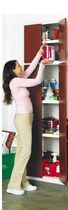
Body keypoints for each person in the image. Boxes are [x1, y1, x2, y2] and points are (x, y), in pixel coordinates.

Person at [2, 45, 51, 195]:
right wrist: (43, 65)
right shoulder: (15, 82)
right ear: (12, 70)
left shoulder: (19, 78)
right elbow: (37, 80)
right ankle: (13, 186)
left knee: (22, 151)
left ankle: (23, 182)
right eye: (17, 65)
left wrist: (39, 54)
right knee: (25, 151)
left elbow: (30, 71)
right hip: (22, 119)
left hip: (27, 117)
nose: (20, 66)